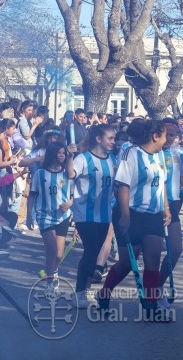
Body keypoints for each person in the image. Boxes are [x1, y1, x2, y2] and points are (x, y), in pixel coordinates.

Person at [97, 119, 171, 320]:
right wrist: (125, 216)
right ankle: (104, 292)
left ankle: (151, 304)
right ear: (155, 136)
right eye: (165, 136)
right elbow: (123, 186)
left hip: (153, 215)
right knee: (127, 263)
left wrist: (166, 207)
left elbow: (161, 182)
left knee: (153, 258)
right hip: (131, 213)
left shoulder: (160, 155)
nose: (167, 140)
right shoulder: (131, 153)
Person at [71, 124, 117, 307]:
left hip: (104, 214)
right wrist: (69, 156)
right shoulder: (83, 158)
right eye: (110, 138)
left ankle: (85, 291)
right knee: (90, 252)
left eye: (114, 138)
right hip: (85, 214)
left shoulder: (112, 159)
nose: (113, 142)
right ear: (99, 139)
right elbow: (69, 176)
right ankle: (79, 293)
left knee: (96, 252)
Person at [27, 141, 77, 296]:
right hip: (45, 216)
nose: (61, 155)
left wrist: (70, 203)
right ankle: (50, 282)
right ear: (52, 154)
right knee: (52, 250)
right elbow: (32, 195)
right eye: (59, 153)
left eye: (63, 153)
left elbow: (73, 195)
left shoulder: (66, 174)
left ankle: (54, 272)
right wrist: (29, 215)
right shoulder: (40, 174)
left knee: (59, 254)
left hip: (63, 217)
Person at [157, 118, 183, 310]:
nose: (169, 138)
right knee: (144, 253)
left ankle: (157, 286)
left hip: (172, 206)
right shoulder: (150, 153)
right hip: (151, 206)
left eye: (173, 135)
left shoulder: (180, 153)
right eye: (166, 134)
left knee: (175, 249)